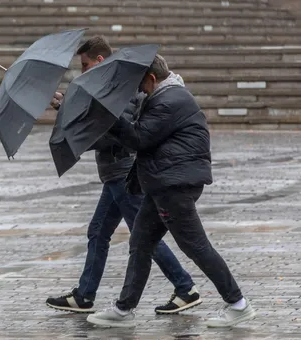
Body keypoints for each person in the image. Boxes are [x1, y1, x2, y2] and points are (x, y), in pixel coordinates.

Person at [86, 54, 256, 328]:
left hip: (174, 186)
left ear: (152, 78)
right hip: (162, 184)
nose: (138, 89)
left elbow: (139, 138)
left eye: (141, 83)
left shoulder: (169, 101)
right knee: (140, 243)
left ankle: (238, 303)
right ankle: (124, 309)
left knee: (196, 247)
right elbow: (137, 126)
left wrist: (109, 116)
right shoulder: (163, 96)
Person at [46, 36, 202, 315]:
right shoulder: (107, 88)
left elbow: (120, 135)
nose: (82, 71)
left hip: (122, 174)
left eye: (84, 65)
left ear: (99, 61)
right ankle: (84, 295)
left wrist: (79, 132)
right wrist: (64, 109)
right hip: (114, 174)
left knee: (143, 237)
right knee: (98, 231)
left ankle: (184, 287)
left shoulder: (121, 89)